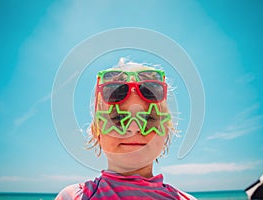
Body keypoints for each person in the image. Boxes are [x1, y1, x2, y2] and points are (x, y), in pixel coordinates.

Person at [56, 59, 197, 200]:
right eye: (118, 118)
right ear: (97, 132)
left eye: (148, 118)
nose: (133, 128)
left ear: (166, 130)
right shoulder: (74, 197)